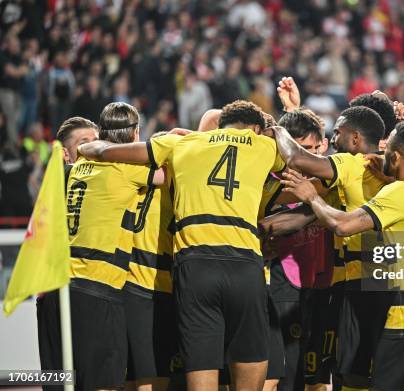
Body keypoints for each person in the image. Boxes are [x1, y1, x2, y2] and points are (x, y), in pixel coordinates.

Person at [78, 100, 286, 391]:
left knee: (151, 374)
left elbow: (106, 151)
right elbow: (298, 159)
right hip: (236, 265)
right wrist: (276, 125)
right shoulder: (259, 148)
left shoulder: (178, 148)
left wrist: (89, 148)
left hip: (189, 270)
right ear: (253, 129)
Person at [280, 121, 404, 391]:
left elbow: (343, 225)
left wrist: (312, 198)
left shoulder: (399, 192)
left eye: (387, 149)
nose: (382, 153)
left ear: (396, 156)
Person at [273, 105, 386, 389]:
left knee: (349, 373)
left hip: (354, 283)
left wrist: (276, 129)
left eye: (338, 133)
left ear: (356, 139)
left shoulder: (349, 164)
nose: (332, 141)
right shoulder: (398, 171)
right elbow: (300, 214)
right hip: (393, 285)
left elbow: (296, 160)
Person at [67, 102, 163, 390]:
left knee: (73, 379)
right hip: (99, 285)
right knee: (105, 381)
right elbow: (169, 176)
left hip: (68, 283)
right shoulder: (124, 167)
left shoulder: (79, 165)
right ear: (135, 134)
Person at [36, 116, 98, 388]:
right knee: (58, 378)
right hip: (57, 291)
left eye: (97, 143)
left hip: (87, 291)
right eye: (84, 144)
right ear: (64, 153)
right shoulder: (61, 177)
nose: (93, 149)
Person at [122, 131, 175, 391]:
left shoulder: (129, 175)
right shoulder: (173, 182)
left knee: (131, 372)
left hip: (125, 282)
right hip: (155, 285)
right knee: (153, 375)